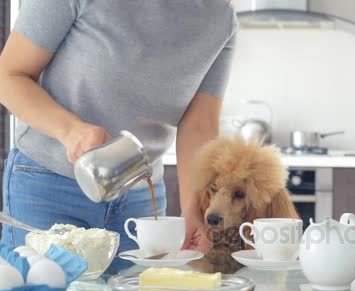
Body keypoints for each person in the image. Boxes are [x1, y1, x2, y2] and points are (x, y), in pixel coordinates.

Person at [0, 0, 236, 255]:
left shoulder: (220, 17)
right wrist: (69, 130)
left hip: (141, 200)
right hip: (49, 186)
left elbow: (199, 125)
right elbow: (8, 75)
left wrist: (193, 209)